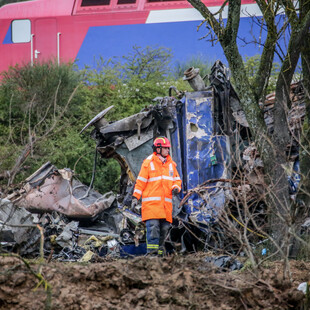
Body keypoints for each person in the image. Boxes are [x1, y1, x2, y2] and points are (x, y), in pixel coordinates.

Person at [131, 136, 182, 256]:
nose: (168, 151)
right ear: (158, 149)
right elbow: (140, 182)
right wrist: (135, 198)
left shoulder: (171, 165)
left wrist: (176, 188)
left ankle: (160, 255)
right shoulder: (148, 163)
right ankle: (152, 255)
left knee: (164, 231)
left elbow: (177, 180)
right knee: (153, 230)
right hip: (152, 206)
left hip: (165, 207)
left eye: (168, 148)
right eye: (165, 148)